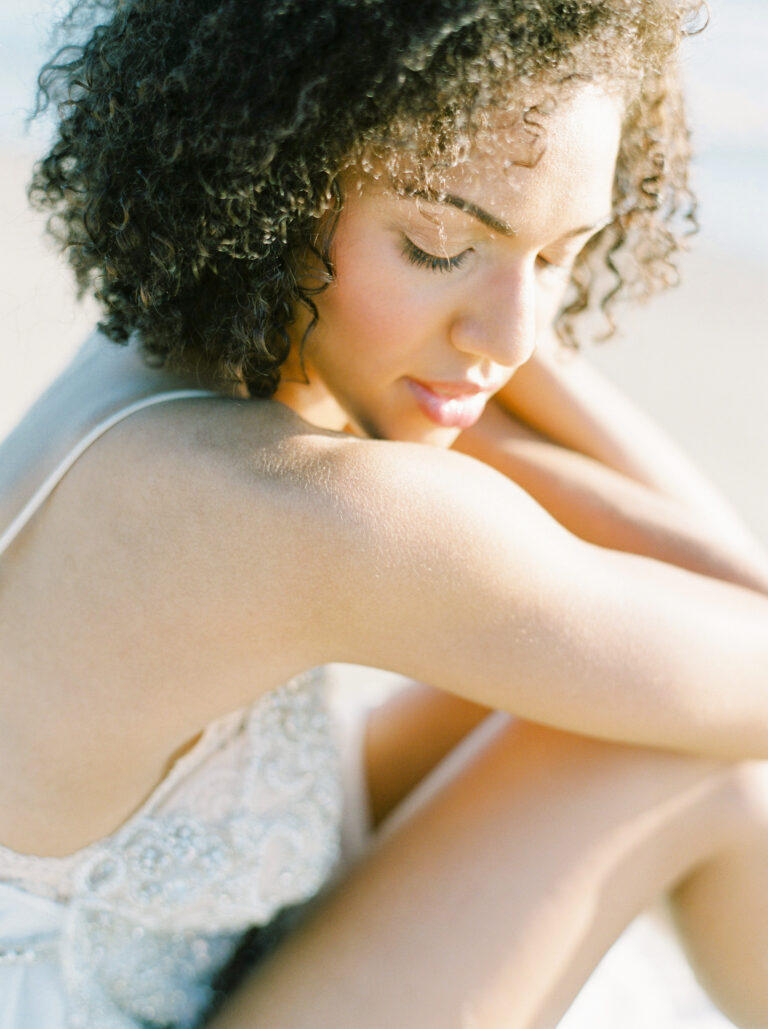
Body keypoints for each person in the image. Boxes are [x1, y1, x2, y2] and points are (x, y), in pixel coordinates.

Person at [2, 0, 768, 1026]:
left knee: (623, 702)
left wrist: (463, 354)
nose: (513, 334)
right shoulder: (307, 513)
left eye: (559, 256)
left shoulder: (166, 355)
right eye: (440, 243)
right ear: (269, 182)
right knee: (680, 756)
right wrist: (473, 383)